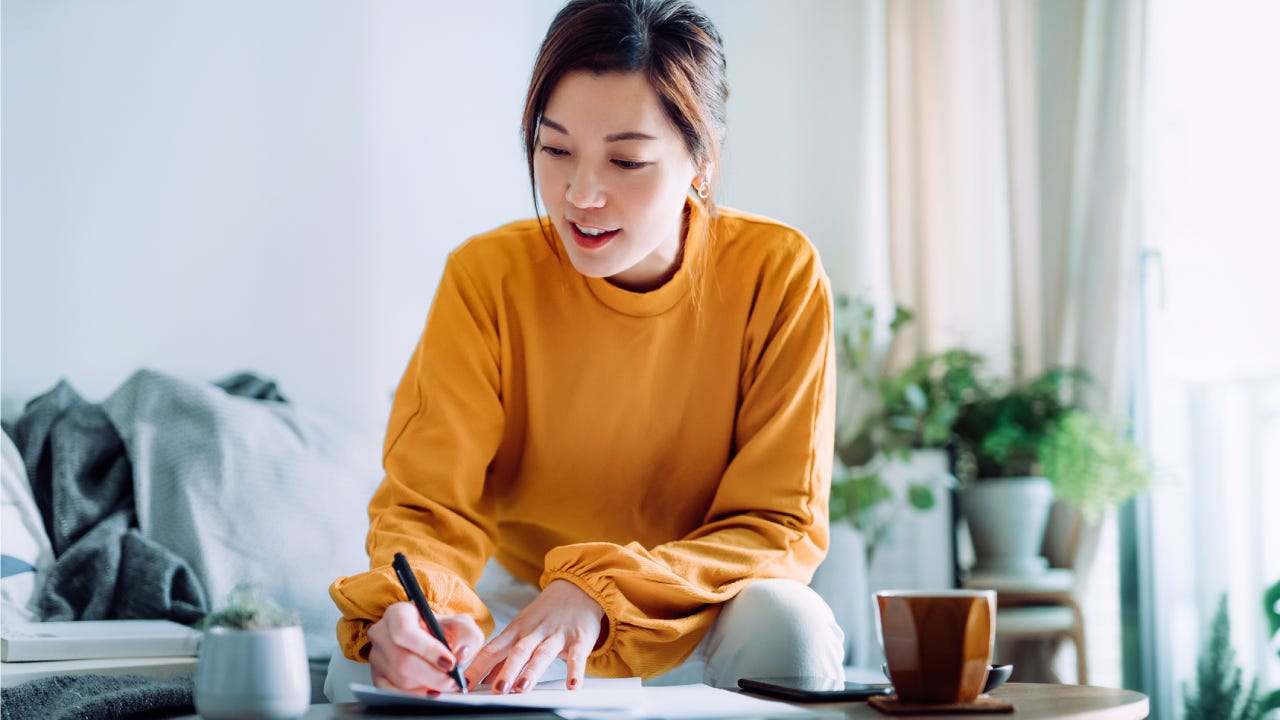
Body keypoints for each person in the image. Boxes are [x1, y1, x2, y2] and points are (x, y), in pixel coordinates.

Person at [326, 0, 844, 700]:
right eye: (555, 149)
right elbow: (427, 508)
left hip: (694, 604)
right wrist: (423, 612)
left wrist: (600, 590)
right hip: (522, 605)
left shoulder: (777, 272)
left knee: (793, 626)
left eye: (626, 160)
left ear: (703, 161)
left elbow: (778, 523)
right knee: (368, 659)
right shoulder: (487, 277)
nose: (580, 194)